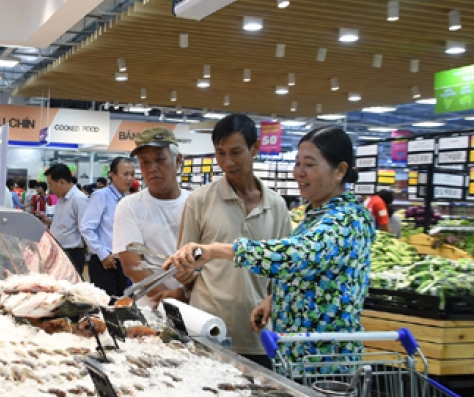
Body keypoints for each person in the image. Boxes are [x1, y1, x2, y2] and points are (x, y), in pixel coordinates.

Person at [167, 126, 375, 371]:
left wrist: (215, 250)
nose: (299, 172)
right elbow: (312, 272)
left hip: (324, 362)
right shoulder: (316, 216)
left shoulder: (346, 220)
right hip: (296, 355)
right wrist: (275, 298)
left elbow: (295, 255)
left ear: (339, 170)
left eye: (309, 164)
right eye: (297, 163)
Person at [162, 114, 292, 370]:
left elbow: (285, 268)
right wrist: (185, 273)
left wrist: (272, 299)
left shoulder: (276, 206)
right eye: (220, 153)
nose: (227, 162)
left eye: (236, 152)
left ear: (255, 148)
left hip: (256, 336)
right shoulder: (200, 200)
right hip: (206, 331)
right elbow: (185, 262)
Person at [113, 127, 190, 307]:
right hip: (152, 308)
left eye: (160, 159)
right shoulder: (129, 206)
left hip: (196, 304)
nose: (152, 168)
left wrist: (186, 293)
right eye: (145, 162)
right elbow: (133, 266)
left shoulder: (196, 203)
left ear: (178, 160)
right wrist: (171, 301)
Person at [80, 157, 135, 298]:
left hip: (123, 261)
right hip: (104, 261)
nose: (129, 179)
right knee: (107, 304)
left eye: (132, 174)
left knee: (123, 302)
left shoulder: (128, 199)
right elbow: (86, 227)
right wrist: (103, 254)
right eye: (125, 174)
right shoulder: (101, 196)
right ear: (113, 175)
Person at [40, 164, 88, 275]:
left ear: (61, 182)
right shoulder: (61, 199)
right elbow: (65, 223)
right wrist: (49, 221)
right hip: (59, 251)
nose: (50, 188)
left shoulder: (78, 199)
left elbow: (85, 229)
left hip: (72, 253)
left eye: (51, 184)